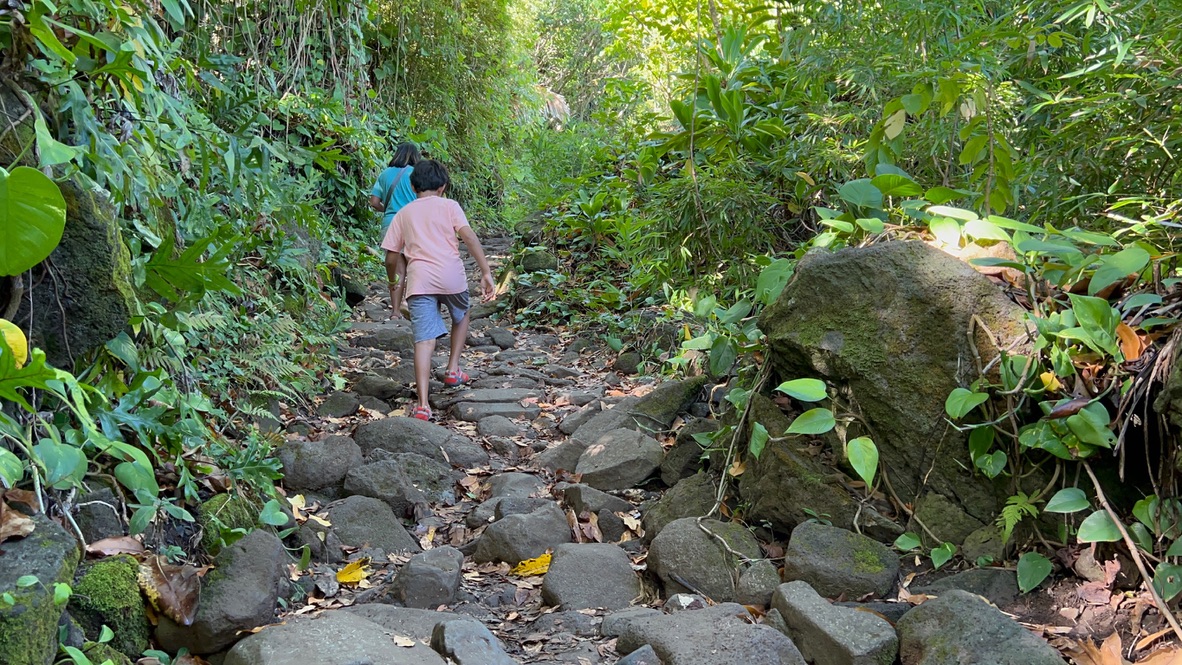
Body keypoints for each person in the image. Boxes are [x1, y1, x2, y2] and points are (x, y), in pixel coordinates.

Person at [381, 160, 496, 421]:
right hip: (451, 277)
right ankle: (453, 368)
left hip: (419, 280)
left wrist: (392, 280)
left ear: (412, 186)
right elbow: (469, 237)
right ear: (443, 186)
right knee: (462, 313)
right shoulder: (450, 206)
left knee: (424, 340)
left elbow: (391, 258)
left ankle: (422, 404)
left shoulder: (404, 214)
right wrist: (486, 272)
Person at [370, 142, 421, 298]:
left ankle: (395, 312)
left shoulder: (385, 174)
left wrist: (390, 210)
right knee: (415, 267)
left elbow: (374, 202)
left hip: (391, 223)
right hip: (414, 223)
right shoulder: (417, 175)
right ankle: (412, 304)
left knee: (398, 270)